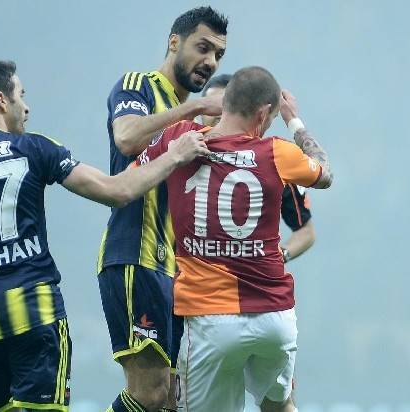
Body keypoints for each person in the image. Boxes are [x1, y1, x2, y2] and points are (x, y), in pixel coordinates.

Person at [0, 58, 209, 412]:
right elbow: (117, 191)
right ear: (1, 100)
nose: (26, 107)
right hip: (34, 316)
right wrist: (175, 156)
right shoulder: (32, 148)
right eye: (20, 95)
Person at [136, 66, 333, 412]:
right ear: (263, 113)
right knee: (280, 406)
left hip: (209, 318)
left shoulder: (180, 138)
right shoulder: (278, 152)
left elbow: (131, 175)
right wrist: (294, 122)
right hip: (275, 317)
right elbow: (325, 173)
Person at [98, 7, 228, 411]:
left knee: (170, 399)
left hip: (174, 270)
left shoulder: (199, 124)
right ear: (175, 42)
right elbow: (126, 137)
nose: (210, 61)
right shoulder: (138, 85)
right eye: (203, 48)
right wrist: (192, 109)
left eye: (218, 55)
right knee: (150, 393)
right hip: (135, 254)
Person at [201, 74, 316, 262]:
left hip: (248, 277)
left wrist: (275, 259)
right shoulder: (181, 151)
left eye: (227, 105)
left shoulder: (274, 161)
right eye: (212, 105)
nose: (219, 113)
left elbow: (306, 231)